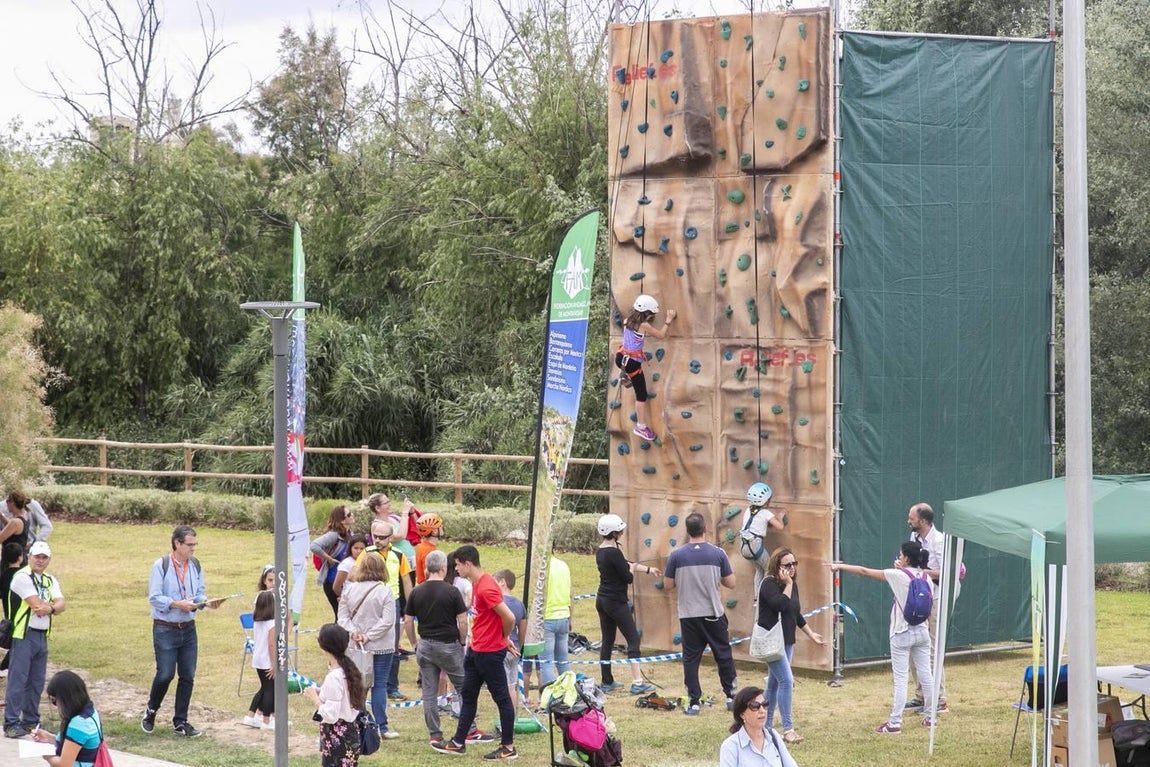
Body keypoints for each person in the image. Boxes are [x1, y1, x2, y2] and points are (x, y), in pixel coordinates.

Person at [831, 540, 937, 733]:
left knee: (901, 678)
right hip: (922, 631)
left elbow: (864, 571)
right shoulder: (926, 577)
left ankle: (895, 723)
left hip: (901, 632)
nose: (899, 557)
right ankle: (931, 718)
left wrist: (840, 566)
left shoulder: (897, 575)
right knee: (926, 674)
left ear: (906, 558)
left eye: (901, 554)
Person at [431, 545, 518, 760]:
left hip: (489, 653)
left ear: (468, 564)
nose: (456, 569)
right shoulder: (477, 584)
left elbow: (509, 617)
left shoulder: (486, 587)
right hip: (475, 650)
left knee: (501, 698)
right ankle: (458, 742)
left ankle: (508, 747)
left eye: (458, 565)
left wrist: (503, 638)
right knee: (468, 695)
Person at [142, 525, 224, 738]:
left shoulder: (195, 565)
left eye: (195, 544)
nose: (193, 548)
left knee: (187, 675)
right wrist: (178, 604)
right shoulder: (161, 565)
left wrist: (206, 603)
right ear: (177, 544)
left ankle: (180, 721)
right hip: (165, 628)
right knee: (165, 674)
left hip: (188, 629)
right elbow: (154, 597)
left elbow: (199, 593)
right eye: (190, 544)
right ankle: (151, 710)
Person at [663, 512, 738, 716]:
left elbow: (667, 585)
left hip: (688, 615)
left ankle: (694, 702)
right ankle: (731, 697)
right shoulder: (718, 553)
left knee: (691, 659)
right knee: (723, 655)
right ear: (705, 529)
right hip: (713, 613)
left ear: (687, 531)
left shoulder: (676, 555)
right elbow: (731, 582)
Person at [757, 548, 823, 744]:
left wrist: (811, 634)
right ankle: (788, 730)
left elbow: (795, 613)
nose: (792, 567)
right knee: (786, 681)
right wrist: (787, 584)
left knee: (773, 684)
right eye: (787, 565)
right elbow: (779, 604)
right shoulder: (769, 584)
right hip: (772, 643)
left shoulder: (792, 585)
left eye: (794, 563)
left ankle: (766, 728)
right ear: (777, 566)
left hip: (786, 642)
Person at [404, 549, 469, 749]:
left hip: (425, 644)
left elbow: (408, 621)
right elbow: (463, 620)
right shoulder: (452, 591)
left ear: (426, 568)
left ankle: (434, 734)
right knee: (464, 688)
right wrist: (462, 641)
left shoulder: (416, 591)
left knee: (429, 692)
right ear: (443, 568)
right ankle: (469, 728)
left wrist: (414, 643)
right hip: (448, 644)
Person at [3, 541, 65, 738]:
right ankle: (11, 722)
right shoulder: (22, 577)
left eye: (44, 557)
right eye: (37, 556)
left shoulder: (49, 579)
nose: (40, 560)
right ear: (29, 557)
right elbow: (37, 606)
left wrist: (51, 608)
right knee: (18, 679)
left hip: (42, 634)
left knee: (36, 681)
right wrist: (52, 607)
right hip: (24, 634)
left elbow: (61, 604)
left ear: (49, 560)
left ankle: (30, 720)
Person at [594, 513, 660, 695]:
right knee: (633, 639)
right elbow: (628, 577)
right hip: (616, 602)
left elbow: (625, 564)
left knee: (607, 640)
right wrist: (630, 569)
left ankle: (607, 681)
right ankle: (637, 682)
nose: (622, 533)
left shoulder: (601, 551)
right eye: (620, 531)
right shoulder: (614, 552)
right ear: (614, 533)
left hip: (602, 600)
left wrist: (648, 569)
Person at [338, 551, 399, 739]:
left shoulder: (349, 590)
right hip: (381, 645)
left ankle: (359, 722)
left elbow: (342, 618)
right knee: (379, 685)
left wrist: (355, 633)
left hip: (357, 645)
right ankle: (381, 726)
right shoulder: (385, 591)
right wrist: (368, 636)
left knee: (359, 685)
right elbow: (387, 621)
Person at [359, 518, 413, 701]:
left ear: (390, 538)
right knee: (367, 642)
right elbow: (355, 574)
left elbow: (406, 581)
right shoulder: (366, 553)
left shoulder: (399, 555)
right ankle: (366, 682)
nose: (378, 540)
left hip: (392, 602)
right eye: (375, 536)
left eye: (382, 537)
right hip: (370, 602)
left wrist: (410, 606)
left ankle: (392, 687)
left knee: (393, 645)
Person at [906, 502, 950, 713]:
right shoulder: (913, 538)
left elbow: (949, 571)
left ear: (923, 521)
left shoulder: (939, 541)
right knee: (915, 646)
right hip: (918, 599)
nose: (909, 521)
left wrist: (925, 572)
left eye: (911, 518)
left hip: (935, 598)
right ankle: (921, 695)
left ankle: (939, 699)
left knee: (931, 649)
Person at [303, 623, 366, 767]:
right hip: (350, 733)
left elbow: (331, 715)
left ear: (324, 646)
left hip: (337, 738)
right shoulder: (348, 670)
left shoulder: (334, 676)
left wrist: (315, 698)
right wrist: (322, 693)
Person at [615, 293, 676, 441]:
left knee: (631, 373)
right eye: (651, 314)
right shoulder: (644, 326)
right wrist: (668, 321)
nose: (652, 317)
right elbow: (661, 335)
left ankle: (626, 376)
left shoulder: (627, 321)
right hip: (632, 364)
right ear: (646, 313)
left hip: (621, 357)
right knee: (641, 395)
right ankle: (640, 427)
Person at [30, 670, 104, 767]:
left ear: (66, 699)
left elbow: (64, 764)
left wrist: (46, 755)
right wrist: (49, 738)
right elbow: (75, 744)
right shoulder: (90, 712)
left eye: (54, 701)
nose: (56, 705)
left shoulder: (79, 723)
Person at [719, 686, 799, 767]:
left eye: (765, 704)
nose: (762, 710)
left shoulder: (773, 736)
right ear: (742, 714)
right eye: (754, 706)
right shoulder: (730, 747)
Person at [740, 483, 786, 601]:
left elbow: (756, 524)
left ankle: (757, 597)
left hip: (744, 546)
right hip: (755, 545)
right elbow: (780, 527)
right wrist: (780, 517)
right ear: (766, 501)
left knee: (759, 569)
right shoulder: (766, 513)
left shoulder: (748, 510)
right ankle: (766, 597)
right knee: (770, 569)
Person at [311, 505, 356, 618]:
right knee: (341, 615)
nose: (352, 515)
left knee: (347, 615)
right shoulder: (334, 535)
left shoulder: (350, 534)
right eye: (349, 514)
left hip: (346, 580)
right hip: (333, 581)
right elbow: (314, 546)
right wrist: (329, 559)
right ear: (342, 520)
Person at [242, 590, 277, 730]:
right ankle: (266, 721)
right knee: (270, 689)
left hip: (258, 659)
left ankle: (250, 716)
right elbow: (271, 644)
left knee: (264, 687)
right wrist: (274, 664)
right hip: (267, 660)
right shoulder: (272, 623)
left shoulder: (257, 622)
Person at [494, 569, 527, 709]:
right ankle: (512, 716)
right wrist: (520, 646)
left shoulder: (498, 603)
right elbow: (523, 629)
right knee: (512, 686)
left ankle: (507, 717)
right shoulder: (520, 604)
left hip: (501, 648)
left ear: (502, 582)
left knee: (504, 688)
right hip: (515, 649)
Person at [538, 554, 573, 688]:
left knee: (547, 662)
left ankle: (550, 696)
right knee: (563, 660)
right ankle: (569, 691)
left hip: (547, 618)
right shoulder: (563, 565)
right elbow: (571, 594)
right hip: (564, 615)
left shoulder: (541, 568)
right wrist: (570, 617)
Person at [0, 541, 25, 677]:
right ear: (20, 557)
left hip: (8, 610)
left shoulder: (4, 575)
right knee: (18, 639)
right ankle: (5, 666)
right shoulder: (22, 576)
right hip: (21, 611)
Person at [333, 534, 368, 599]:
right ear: (350, 548)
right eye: (356, 548)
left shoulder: (368, 562)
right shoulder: (346, 564)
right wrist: (344, 598)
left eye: (362, 548)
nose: (359, 551)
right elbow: (336, 587)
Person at [414, 513, 444, 585]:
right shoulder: (429, 551)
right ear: (434, 531)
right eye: (440, 526)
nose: (442, 526)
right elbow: (430, 575)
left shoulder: (423, 546)